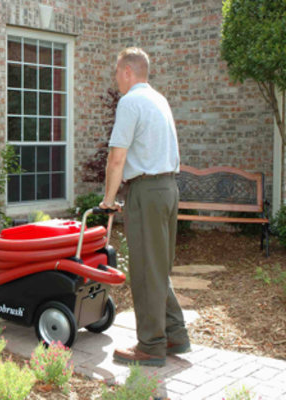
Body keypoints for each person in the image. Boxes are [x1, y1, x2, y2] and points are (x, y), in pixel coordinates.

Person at [99, 48, 190, 367]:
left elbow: (117, 158)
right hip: (168, 188)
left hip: (147, 191)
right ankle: (174, 333)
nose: (116, 80)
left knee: (145, 270)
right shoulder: (159, 99)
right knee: (158, 266)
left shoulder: (130, 102)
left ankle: (151, 345)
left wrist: (108, 201)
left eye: (116, 73)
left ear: (127, 71)